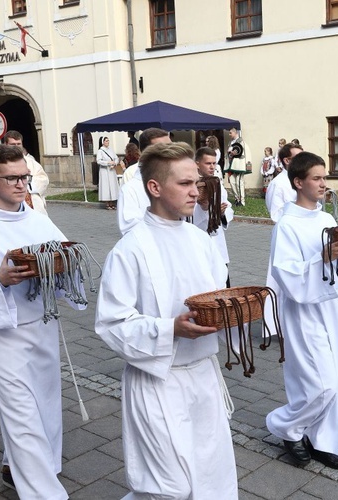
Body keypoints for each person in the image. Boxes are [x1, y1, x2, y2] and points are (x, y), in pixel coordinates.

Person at [95, 142, 237, 499]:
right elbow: (112, 323)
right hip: (158, 380)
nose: (195, 191)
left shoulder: (200, 240)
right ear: (154, 188)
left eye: (197, 182)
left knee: (211, 480)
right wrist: (169, 328)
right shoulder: (129, 250)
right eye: (185, 184)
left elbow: (217, 295)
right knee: (165, 488)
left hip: (204, 374)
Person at [0, 144, 85, 498]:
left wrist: (67, 265)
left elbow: (65, 261)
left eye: (24, 176)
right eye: (12, 178)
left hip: (42, 326)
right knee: (21, 414)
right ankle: (44, 492)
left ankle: (32, 465)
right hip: (4, 335)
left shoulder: (39, 220)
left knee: (46, 404)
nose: (22, 184)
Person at [266, 151, 338, 471]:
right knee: (320, 383)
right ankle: (285, 425)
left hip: (330, 307)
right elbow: (287, 276)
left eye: (324, 177)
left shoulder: (326, 219)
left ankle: (325, 439)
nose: (323, 184)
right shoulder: (286, 225)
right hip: (303, 312)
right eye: (316, 178)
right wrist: (323, 257)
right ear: (298, 182)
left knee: (337, 379)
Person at [117, 128, 171, 234]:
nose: (171, 152)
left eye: (171, 147)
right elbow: (130, 228)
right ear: (147, 153)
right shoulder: (130, 190)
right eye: (164, 149)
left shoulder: (176, 181)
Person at [194, 146, 234, 286]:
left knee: (222, 284)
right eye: (208, 163)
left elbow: (228, 206)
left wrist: (222, 213)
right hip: (198, 239)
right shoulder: (192, 184)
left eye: (214, 163)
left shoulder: (217, 183)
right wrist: (204, 209)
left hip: (217, 241)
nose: (212, 167)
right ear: (197, 163)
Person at [3, 131, 49, 215]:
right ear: (5, 145)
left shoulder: (32, 163)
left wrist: (27, 179)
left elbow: (43, 180)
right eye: (13, 144)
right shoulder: (0, 164)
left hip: (33, 206)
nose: (16, 147)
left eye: (18, 144)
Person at [265, 143, 303, 222]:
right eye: (299, 158)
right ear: (287, 160)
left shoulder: (304, 180)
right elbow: (276, 216)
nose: (304, 161)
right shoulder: (277, 184)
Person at [226, 127, 251, 206]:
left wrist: (235, 153)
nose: (229, 134)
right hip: (232, 164)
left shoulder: (241, 142)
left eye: (230, 133)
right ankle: (237, 198)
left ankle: (242, 201)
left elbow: (242, 153)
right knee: (232, 181)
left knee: (239, 181)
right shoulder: (230, 143)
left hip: (239, 164)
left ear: (235, 133)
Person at [96, 136, 119, 210]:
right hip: (105, 171)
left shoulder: (111, 150)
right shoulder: (100, 151)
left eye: (108, 141)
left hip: (111, 171)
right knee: (106, 186)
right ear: (103, 142)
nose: (108, 142)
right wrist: (108, 163)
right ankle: (107, 203)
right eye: (106, 141)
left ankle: (112, 202)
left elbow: (116, 158)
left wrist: (114, 163)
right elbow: (99, 161)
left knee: (112, 186)